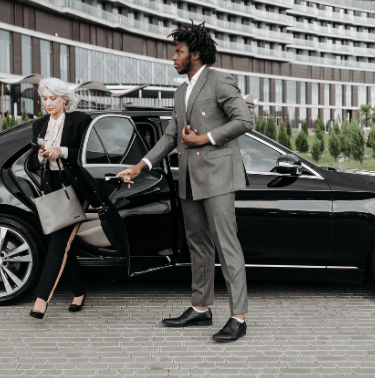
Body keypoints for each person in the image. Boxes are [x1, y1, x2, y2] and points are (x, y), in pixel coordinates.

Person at [117, 21, 253, 342]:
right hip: (189, 179)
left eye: (178, 52)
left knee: (226, 246)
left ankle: (238, 317)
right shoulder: (181, 91)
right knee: (198, 245)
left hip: (218, 177)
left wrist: (204, 138)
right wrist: (140, 166)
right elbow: (170, 137)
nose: (173, 57)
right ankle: (201, 308)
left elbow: (245, 120)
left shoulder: (219, 81)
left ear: (194, 54)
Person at [28, 78, 92, 319]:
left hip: (75, 187)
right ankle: (79, 291)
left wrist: (61, 151)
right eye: (44, 99)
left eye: (53, 98)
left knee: (59, 242)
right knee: (64, 243)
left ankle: (41, 300)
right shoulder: (39, 125)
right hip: (51, 188)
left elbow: (87, 154)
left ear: (64, 99)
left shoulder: (80, 120)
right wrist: (41, 156)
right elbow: (31, 161)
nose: (48, 103)